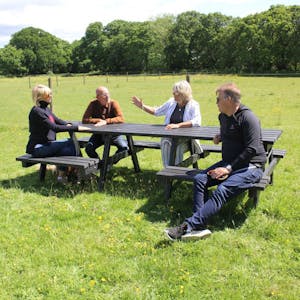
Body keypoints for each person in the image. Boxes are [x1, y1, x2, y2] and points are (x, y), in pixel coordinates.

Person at [165, 83, 267, 241]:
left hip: (251, 166)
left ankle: (188, 226)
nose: (216, 103)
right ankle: (199, 226)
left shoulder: (248, 118)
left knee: (222, 189)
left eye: (218, 99)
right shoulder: (223, 117)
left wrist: (228, 169)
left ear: (228, 99)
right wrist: (221, 136)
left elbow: (252, 149)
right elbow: (231, 132)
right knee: (200, 179)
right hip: (229, 162)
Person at [26, 84, 89, 182]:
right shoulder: (37, 111)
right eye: (48, 95)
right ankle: (79, 172)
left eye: (51, 94)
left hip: (47, 145)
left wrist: (69, 124)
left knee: (67, 151)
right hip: (37, 148)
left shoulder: (45, 109)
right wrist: (77, 128)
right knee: (70, 142)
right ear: (40, 97)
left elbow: (58, 120)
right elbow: (54, 127)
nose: (51, 96)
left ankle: (63, 176)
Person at [132, 80, 202, 167]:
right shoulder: (171, 102)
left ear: (184, 94)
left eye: (176, 93)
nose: (173, 94)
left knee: (177, 147)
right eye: (173, 92)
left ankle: (176, 172)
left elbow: (196, 121)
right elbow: (156, 111)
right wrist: (142, 106)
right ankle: (167, 170)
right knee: (164, 141)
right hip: (170, 136)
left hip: (187, 139)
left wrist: (178, 125)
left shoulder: (194, 105)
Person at [82, 86, 128, 159]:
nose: (107, 96)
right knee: (89, 149)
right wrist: (98, 120)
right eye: (104, 95)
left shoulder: (113, 103)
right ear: (97, 97)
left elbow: (121, 118)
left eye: (108, 94)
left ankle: (108, 163)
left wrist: (106, 121)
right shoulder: (93, 104)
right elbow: (85, 119)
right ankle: (99, 164)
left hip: (114, 135)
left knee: (124, 148)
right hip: (98, 135)